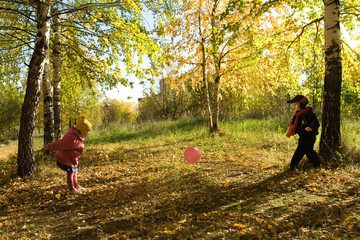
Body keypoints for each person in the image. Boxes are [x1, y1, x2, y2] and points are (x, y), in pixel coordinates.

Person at [46, 116, 92, 194]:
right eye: (87, 131)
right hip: (67, 159)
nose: (88, 133)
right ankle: (72, 189)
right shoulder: (71, 138)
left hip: (73, 158)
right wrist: (50, 146)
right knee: (70, 174)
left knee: (75, 172)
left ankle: (76, 185)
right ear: (83, 131)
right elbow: (60, 143)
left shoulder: (78, 137)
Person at [286, 95, 321, 170]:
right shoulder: (297, 115)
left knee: (309, 151)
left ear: (302, 104)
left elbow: (315, 122)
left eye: (296, 104)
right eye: (293, 105)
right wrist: (293, 126)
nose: (294, 106)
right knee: (299, 152)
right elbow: (297, 125)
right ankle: (293, 166)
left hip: (309, 137)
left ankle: (317, 164)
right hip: (302, 137)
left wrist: (311, 127)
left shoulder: (309, 114)